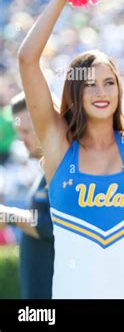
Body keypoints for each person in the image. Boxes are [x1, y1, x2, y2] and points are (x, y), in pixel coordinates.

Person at [17, 0, 124, 298]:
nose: (101, 92)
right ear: (75, 91)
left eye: (109, 82)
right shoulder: (58, 144)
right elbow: (27, 59)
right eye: (89, 84)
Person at [0, 92, 54, 298]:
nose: (21, 139)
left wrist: (10, 215)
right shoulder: (44, 170)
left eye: (26, 131)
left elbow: (54, 226)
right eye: (17, 132)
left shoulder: (65, 171)